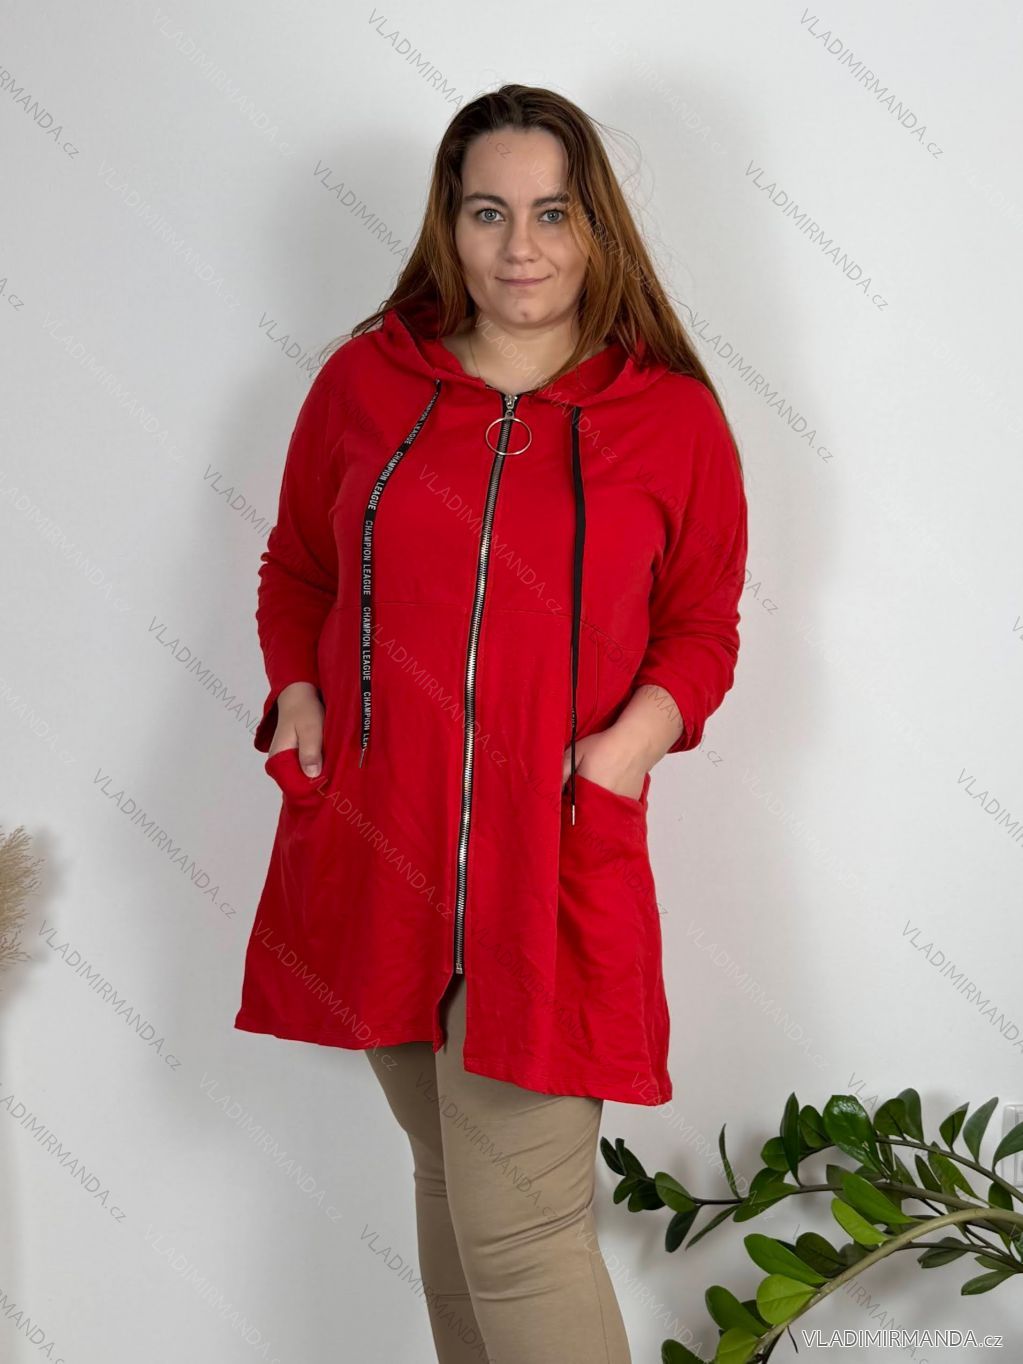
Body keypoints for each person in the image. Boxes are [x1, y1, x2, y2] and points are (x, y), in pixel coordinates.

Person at [234, 84, 749, 1364]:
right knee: (453, 1192)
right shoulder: (364, 382)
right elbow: (297, 567)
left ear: (596, 226)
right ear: (447, 225)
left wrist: (624, 752)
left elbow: (702, 623)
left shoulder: (669, 415)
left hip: (554, 858)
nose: (521, 246)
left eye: (552, 212)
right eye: (488, 212)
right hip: (377, 843)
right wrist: (299, 693)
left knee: (519, 1233)